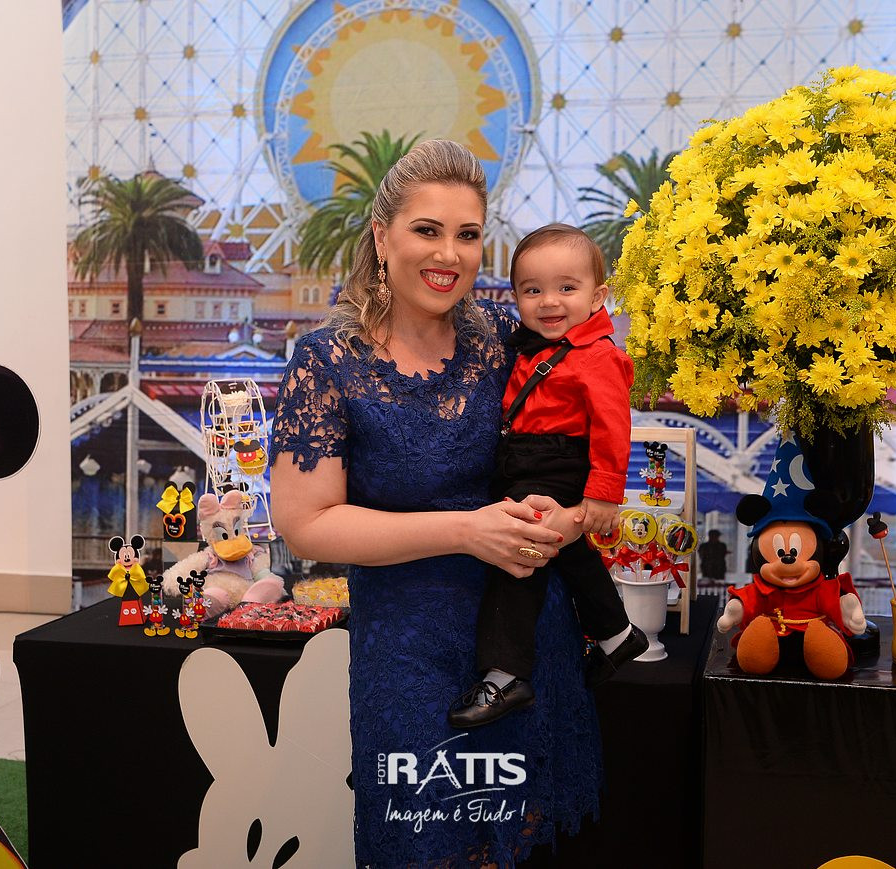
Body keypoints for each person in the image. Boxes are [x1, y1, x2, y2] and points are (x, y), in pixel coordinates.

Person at [270, 140, 601, 867]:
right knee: (426, 848)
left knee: (525, 845)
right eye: (427, 230)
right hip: (409, 657)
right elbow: (306, 524)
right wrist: (465, 531)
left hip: (525, 651)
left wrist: (574, 517)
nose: (449, 254)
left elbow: (580, 448)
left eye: (468, 234)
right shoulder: (327, 363)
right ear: (382, 236)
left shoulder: (506, 344)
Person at [448, 224, 646, 729]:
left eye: (567, 288)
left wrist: (603, 495)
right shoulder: (534, 347)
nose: (549, 301)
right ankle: (618, 635)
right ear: (515, 296)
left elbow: (613, 427)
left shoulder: (599, 356)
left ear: (598, 296)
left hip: (556, 461)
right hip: (525, 458)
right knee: (567, 551)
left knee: (518, 554)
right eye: (533, 290)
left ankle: (506, 672)